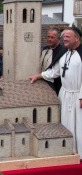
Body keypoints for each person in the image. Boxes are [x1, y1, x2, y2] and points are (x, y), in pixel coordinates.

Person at [29, 26, 82, 159]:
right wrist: (39, 76)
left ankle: (80, 153)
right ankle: (68, 151)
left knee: (79, 124)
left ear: (77, 38)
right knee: (64, 122)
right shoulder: (64, 53)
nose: (65, 38)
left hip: (78, 95)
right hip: (64, 94)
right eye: (64, 36)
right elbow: (55, 71)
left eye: (68, 36)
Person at [40, 28, 64, 94]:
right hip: (43, 82)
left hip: (56, 84)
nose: (49, 39)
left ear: (58, 39)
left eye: (52, 37)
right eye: (48, 37)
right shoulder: (45, 49)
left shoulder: (62, 51)